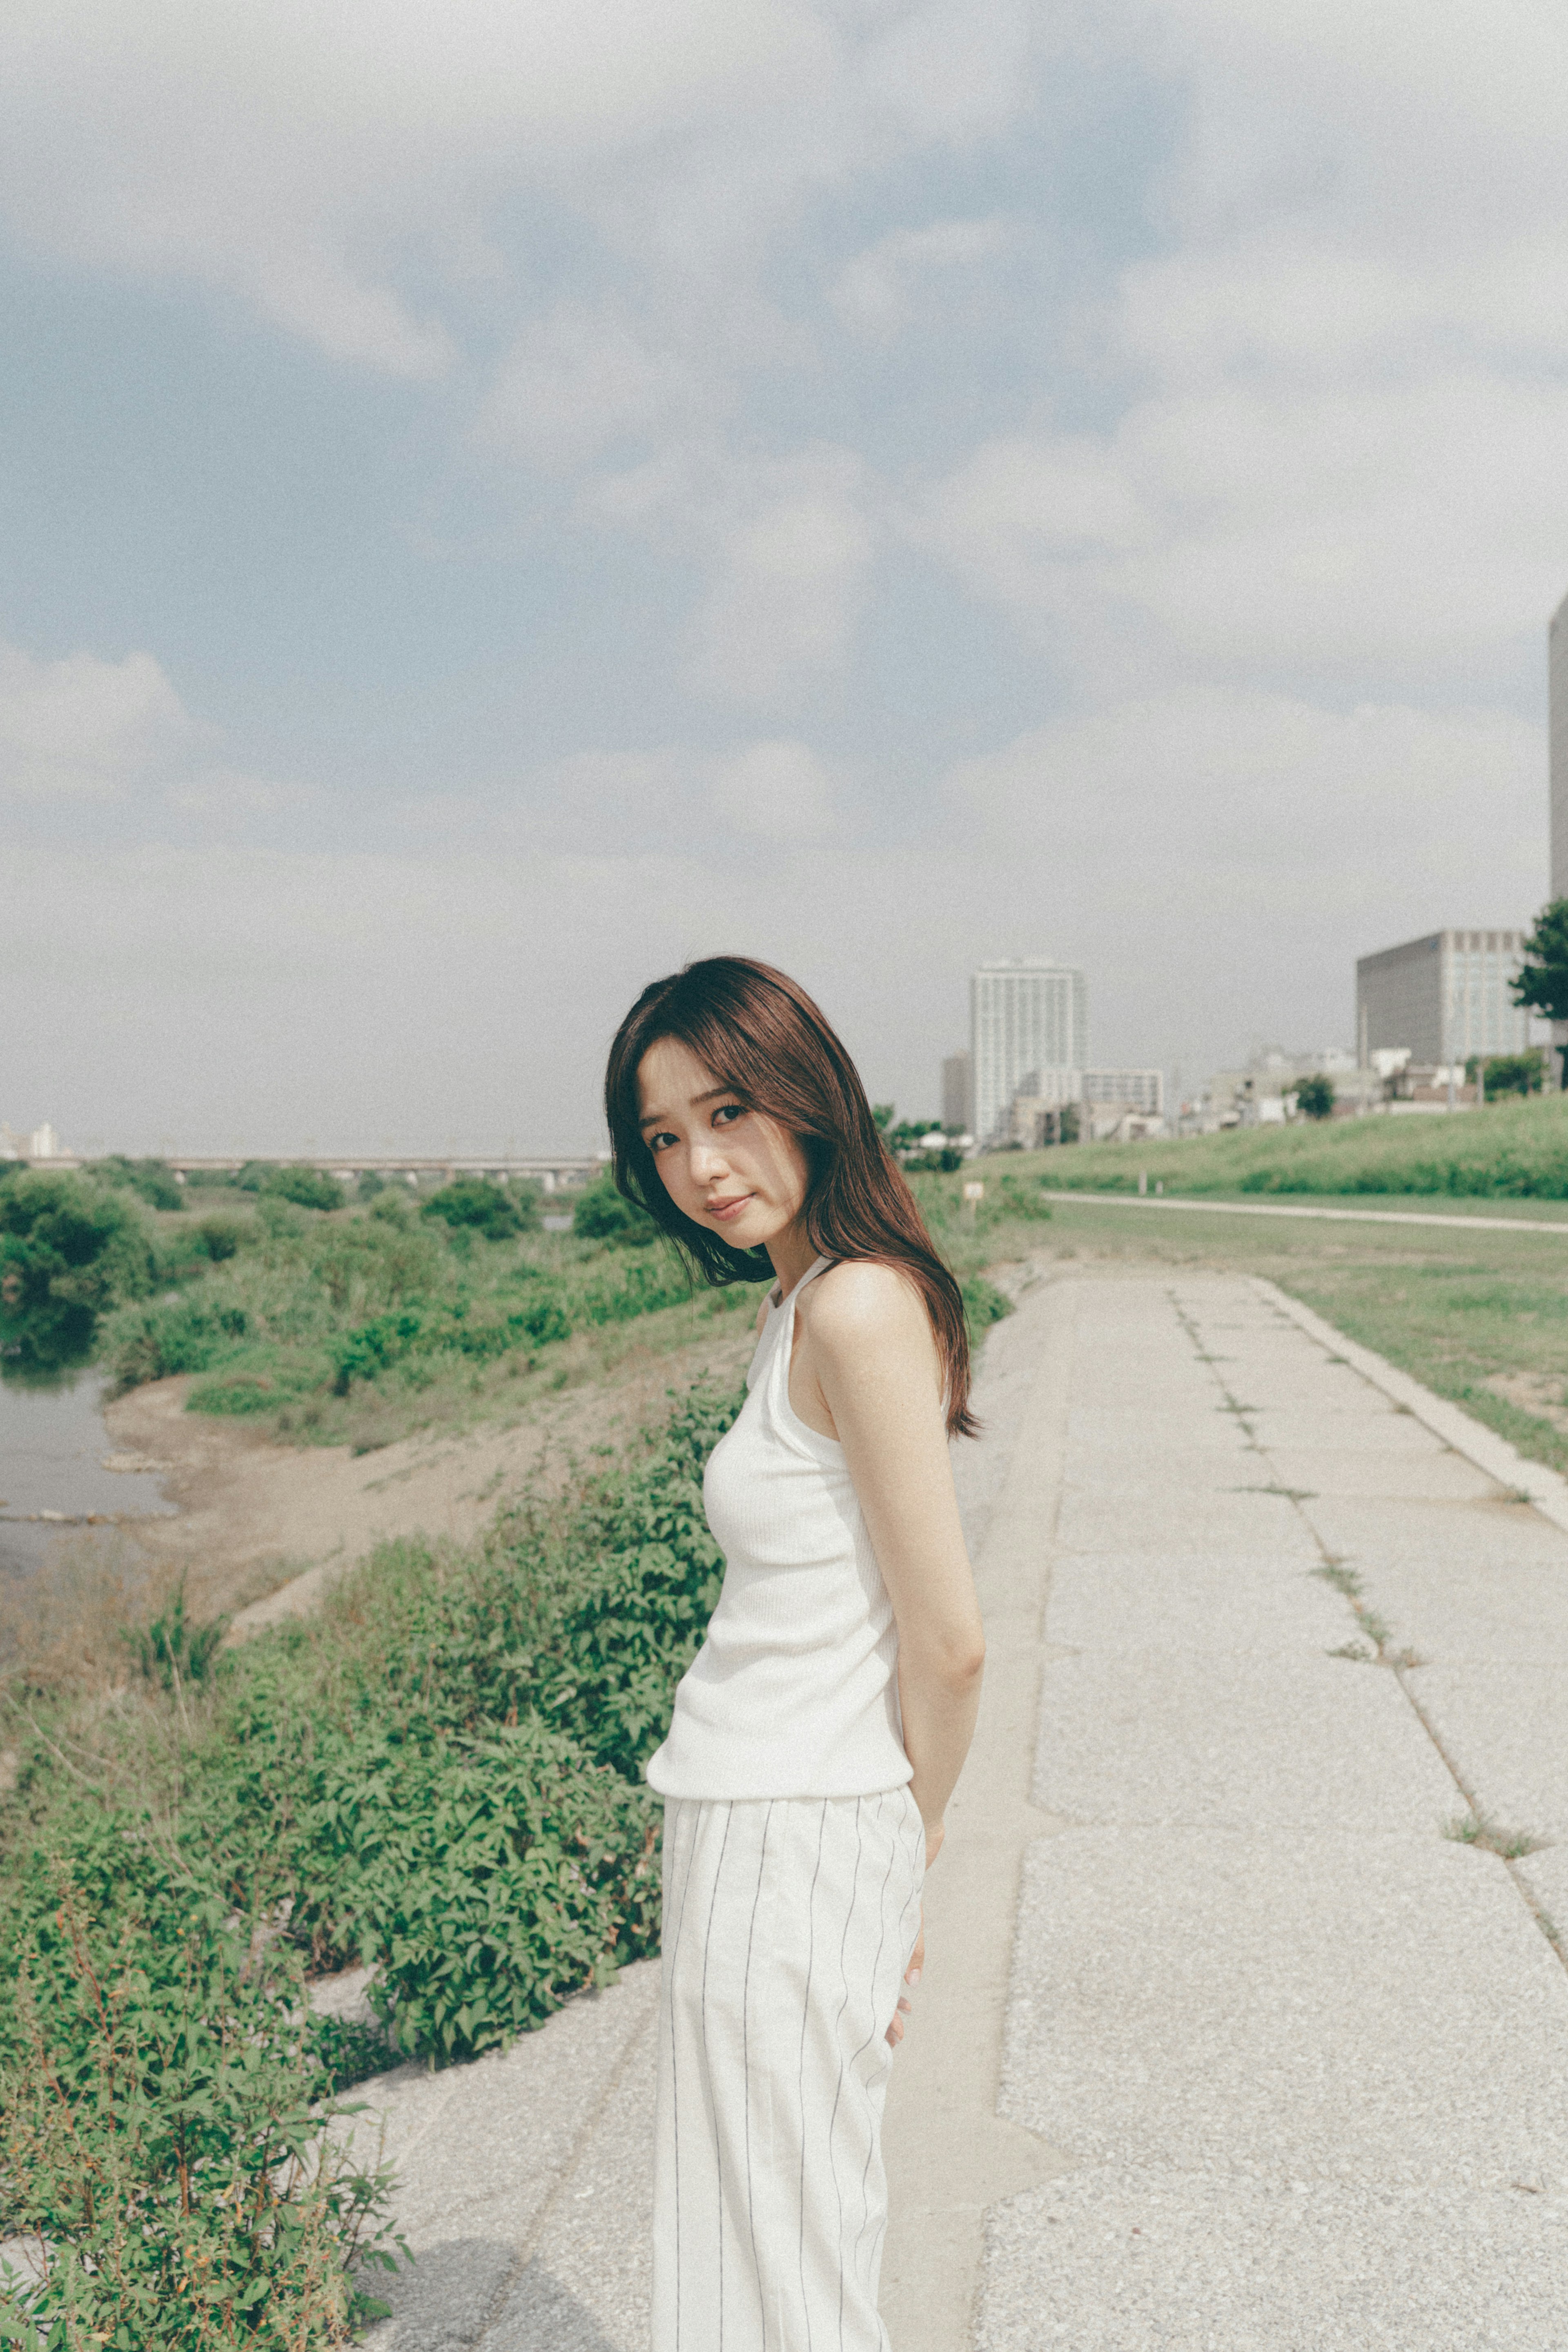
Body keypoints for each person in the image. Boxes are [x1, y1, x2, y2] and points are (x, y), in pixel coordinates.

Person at [603, 954, 986, 2352]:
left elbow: (949, 1646)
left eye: (726, 1111)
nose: (699, 1163)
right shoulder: (800, 1303)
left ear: (806, 1093)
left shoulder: (855, 1306)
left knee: (789, 2260)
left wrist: (905, 1852)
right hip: (757, 1826)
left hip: (802, 1830)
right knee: (746, 2248)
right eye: (662, 1137)